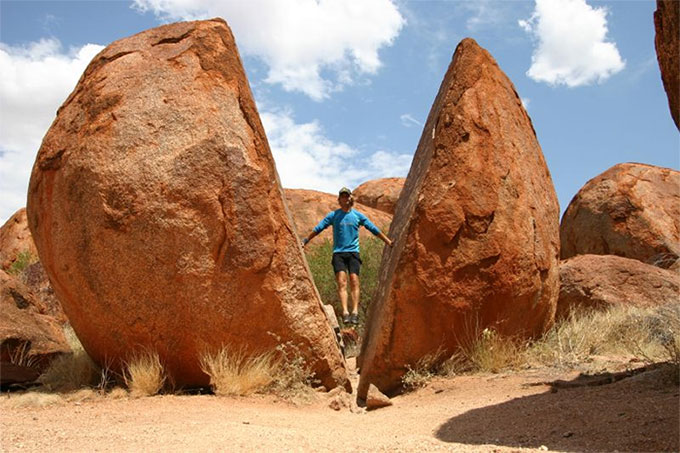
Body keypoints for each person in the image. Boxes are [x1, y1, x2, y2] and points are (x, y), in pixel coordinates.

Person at [302, 187, 393, 325]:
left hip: (353, 253)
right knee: (342, 282)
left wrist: (388, 241)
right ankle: (345, 312)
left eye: (346, 196)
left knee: (354, 280)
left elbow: (373, 228)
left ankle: (355, 312)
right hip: (338, 253)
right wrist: (305, 240)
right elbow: (319, 227)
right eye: (342, 196)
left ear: (350, 198)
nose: (344, 199)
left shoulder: (357, 216)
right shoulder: (334, 215)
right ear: (339, 199)